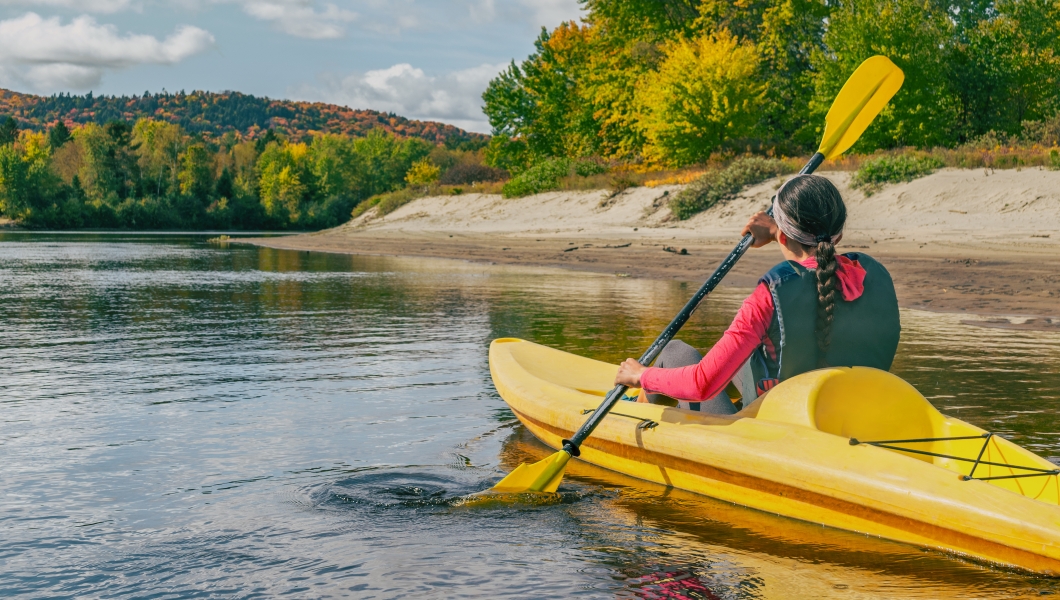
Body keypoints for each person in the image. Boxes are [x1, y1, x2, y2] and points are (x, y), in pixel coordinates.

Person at [613, 174, 901, 414]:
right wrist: (777, 229)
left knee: (677, 352)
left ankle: (636, 408)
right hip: (853, 419)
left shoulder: (770, 294)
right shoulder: (872, 274)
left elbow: (701, 384)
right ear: (837, 234)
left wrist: (641, 375)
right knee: (743, 356)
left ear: (784, 236)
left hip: (777, 433)